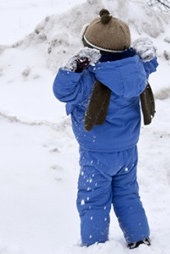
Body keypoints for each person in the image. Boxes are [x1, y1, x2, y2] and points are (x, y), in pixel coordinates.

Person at [52, 9, 158, 249]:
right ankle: (139, 238)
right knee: (128, 195)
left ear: (92, 52)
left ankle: (95, 245)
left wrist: (73, 69)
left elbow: (62, 92)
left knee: (93, 201)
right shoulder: (137, 70)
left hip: (95, 155)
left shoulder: (88, 80)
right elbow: (151, 64)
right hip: (128, 152)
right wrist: (149, 55)